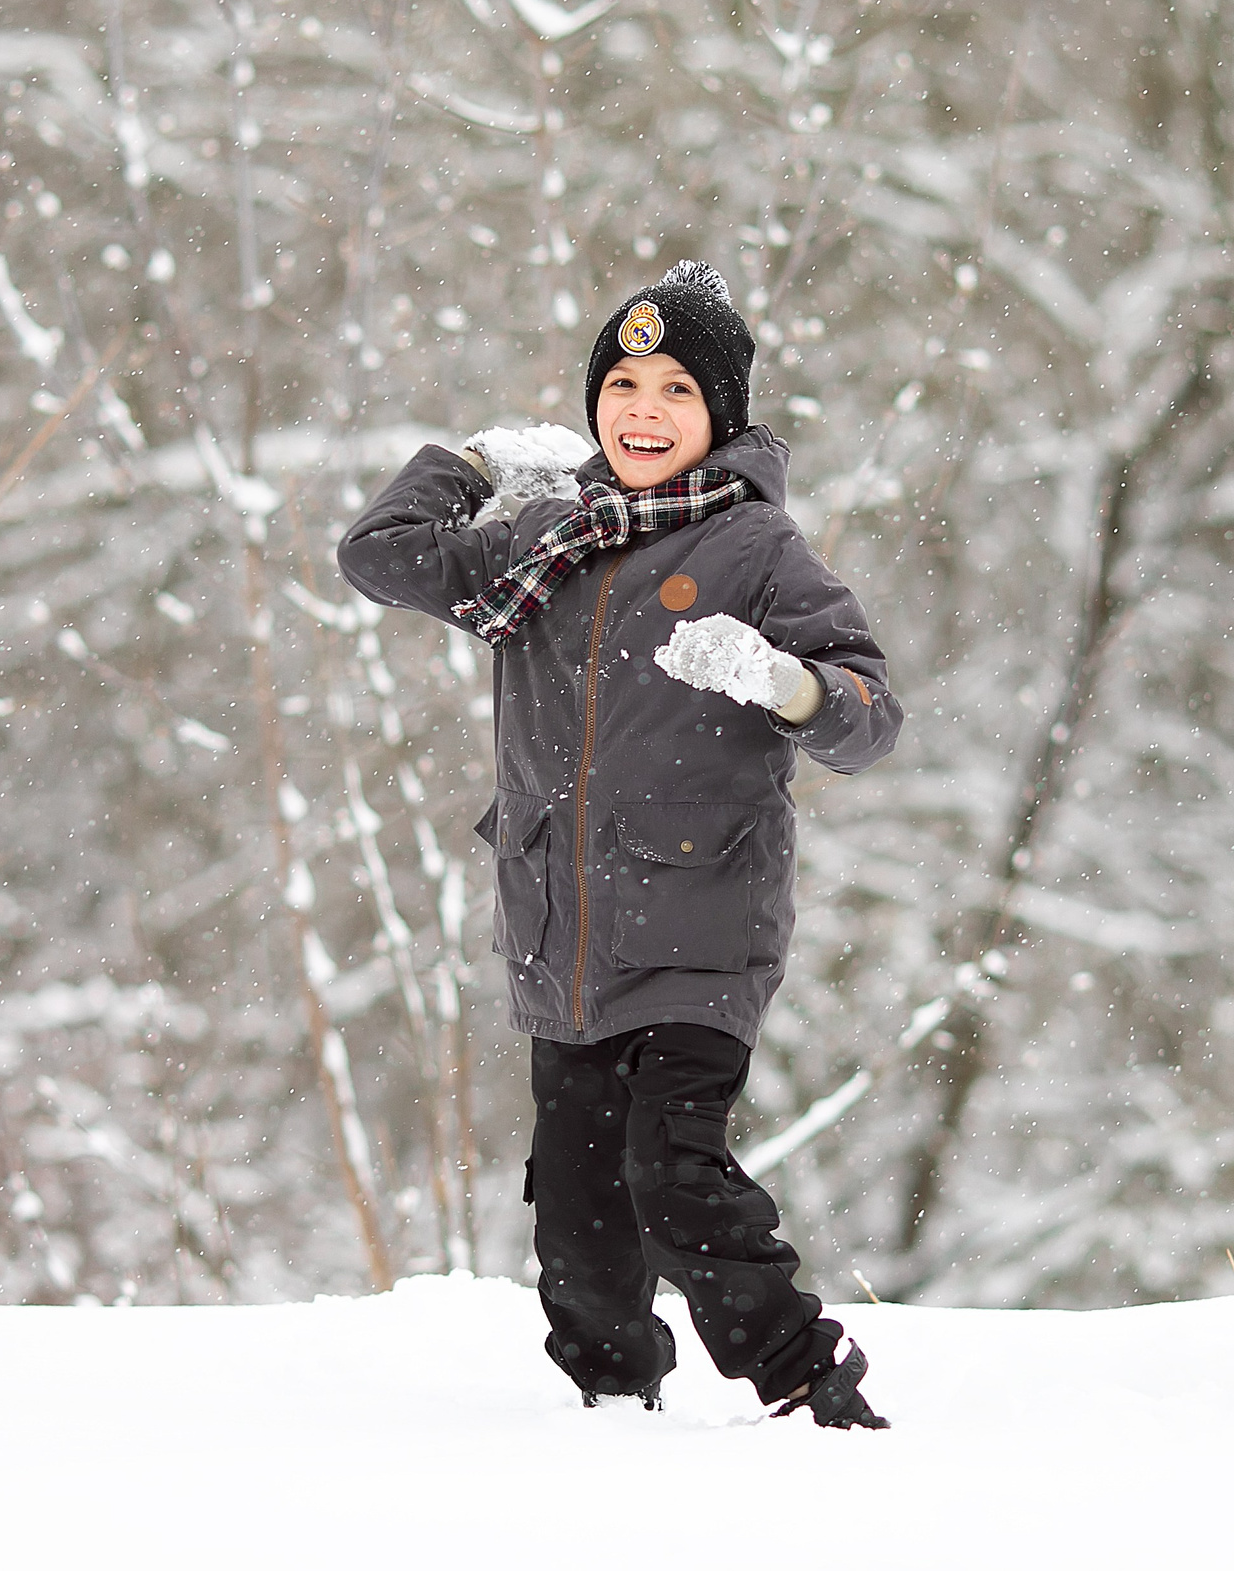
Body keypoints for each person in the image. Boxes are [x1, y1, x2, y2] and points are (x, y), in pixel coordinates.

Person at [338, 261, 901, 1428]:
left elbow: (867, 716)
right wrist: (481, 465)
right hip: (560, 937)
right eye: (624, 385)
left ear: (722, 416)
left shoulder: (756, 550)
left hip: (701, 931)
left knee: (671, 1173)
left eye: (677, 392)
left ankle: (805, 1379)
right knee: (581, 1221)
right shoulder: (542, 540)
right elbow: (378, 551)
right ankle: (610, 1407)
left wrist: (783, 682)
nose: (643, 412)